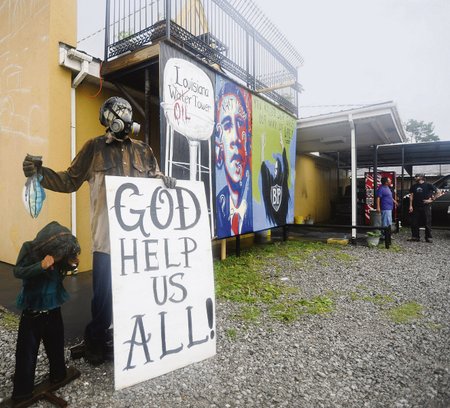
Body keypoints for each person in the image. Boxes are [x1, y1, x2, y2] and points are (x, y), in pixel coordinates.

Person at [22, 96, 176, 365]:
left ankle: (136, 337)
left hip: (139, 240)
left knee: (138, 290)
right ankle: (96, 340)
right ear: (112, 120)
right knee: (103, 296)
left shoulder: (144, 150)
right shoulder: (93, 148)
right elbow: (69, 180)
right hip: (106, 239)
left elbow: (155, 179)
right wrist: (40, 174)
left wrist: (166, 181)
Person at [11, 221, 80, 402]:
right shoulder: (29, 248)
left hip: (53, 309)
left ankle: (59, 375)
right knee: (26, 353)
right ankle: (22, 391)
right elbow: (18, 271)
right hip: (32, 312)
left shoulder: (60, 253)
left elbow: (64, 269)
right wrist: (40, 265)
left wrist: (72, 264)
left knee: (56, 347)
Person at [215, 82, 252, 237]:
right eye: (228, 124)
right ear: (219, 139)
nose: (236, 138)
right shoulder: (218, 204)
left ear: (248, 135)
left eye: (239, 122)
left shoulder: (255, 203)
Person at [408, 173, 440, 243]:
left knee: (427, 222)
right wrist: (410, 206)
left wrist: (431, 200)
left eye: (416, 176)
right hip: (415, 207)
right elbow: (411, 196)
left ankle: (428, 237)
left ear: (421, 177)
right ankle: (415, 237)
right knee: (414, 222)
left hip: (426, 207)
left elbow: (438, 192)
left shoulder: (428, 185)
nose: (415, 177)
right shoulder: (413, 186)